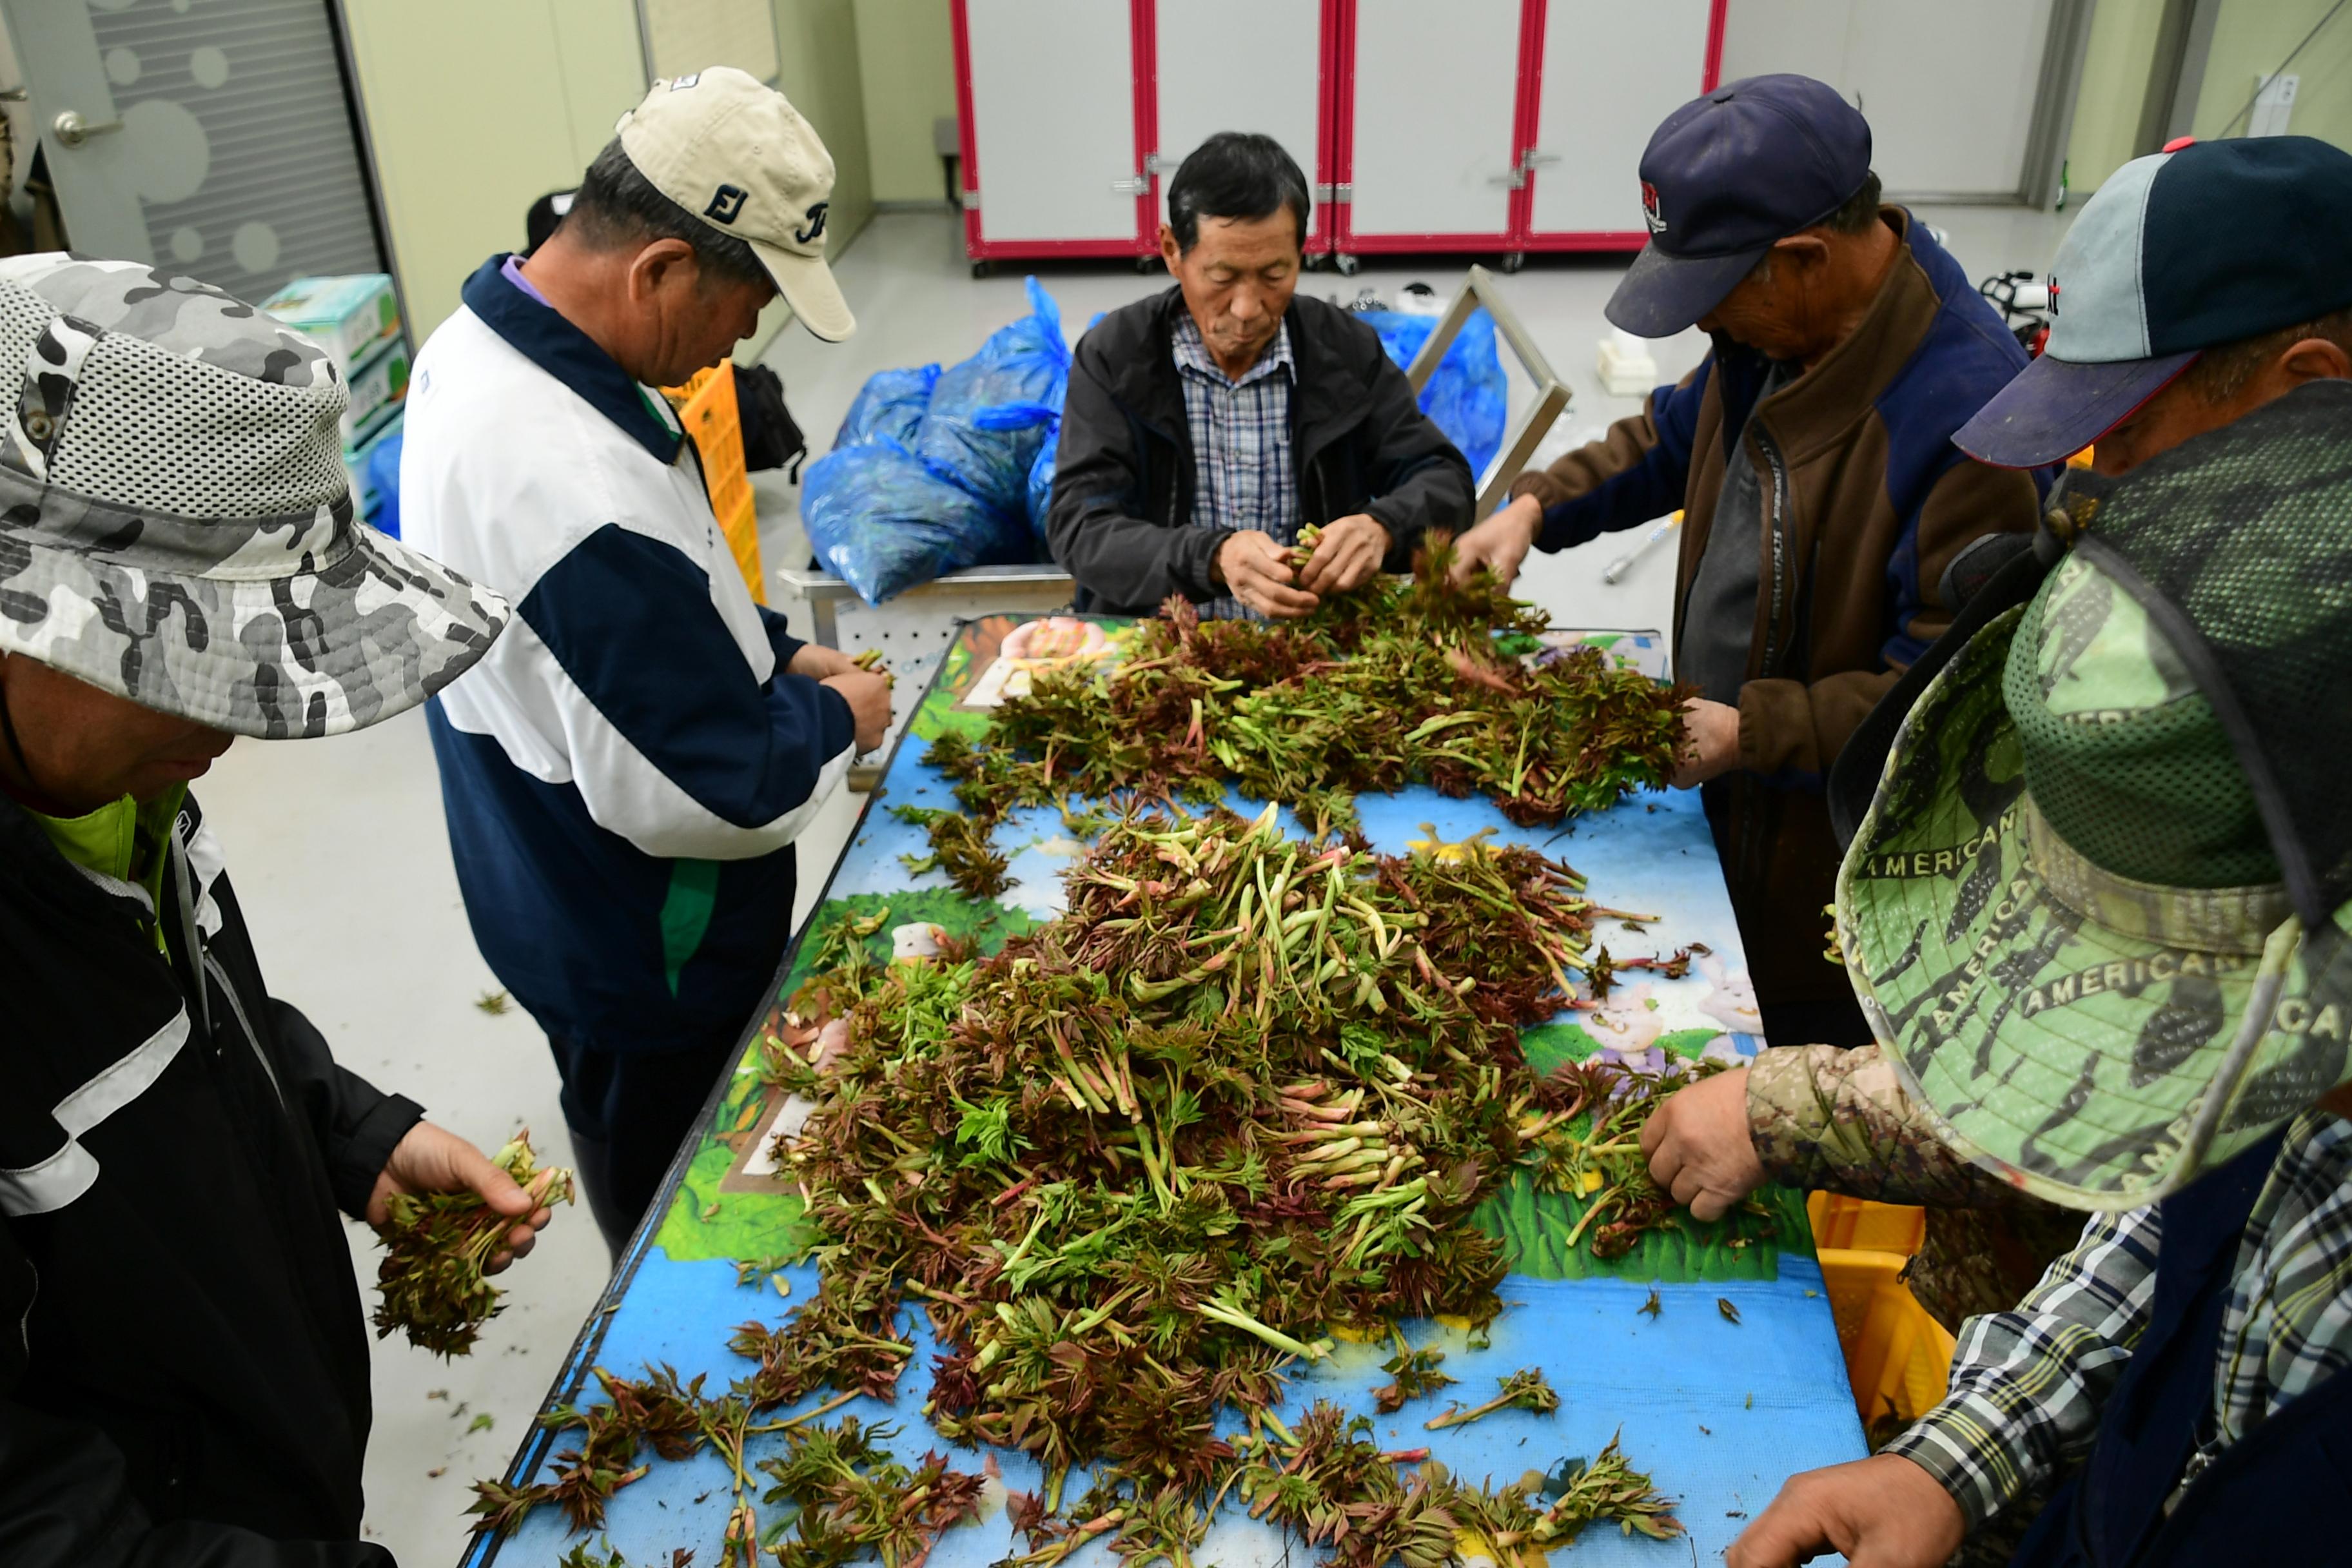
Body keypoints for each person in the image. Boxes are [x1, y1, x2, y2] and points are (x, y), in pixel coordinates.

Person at [1710, 135, 2352, 1567]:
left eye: (2127, 418)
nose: (2085, 462)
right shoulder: (2246, 659)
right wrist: (1961, 1460)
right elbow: (2194, 1197)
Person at [0, 255, 545, 1564]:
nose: (231, 734)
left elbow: (173, 1021)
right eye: (191, 670)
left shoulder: (103, 781)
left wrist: (343, 1127)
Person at [402, 68, 893, 1259]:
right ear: (661, 268)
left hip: (543, 872)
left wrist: (773, 651)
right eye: (747, 301)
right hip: (643, 940)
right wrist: (843, 719)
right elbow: (711, 792)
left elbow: (656, 604)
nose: (743, 338)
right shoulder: (554, 480)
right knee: (687, 1194)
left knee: (653, 1122)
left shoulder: (488, 342)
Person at [1452, 75, 2044, 1053]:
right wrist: (1533, 508)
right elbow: (1672, 434)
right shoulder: (1775, 334)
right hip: (1720, 796)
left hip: (1819, 870)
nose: (1701, 326)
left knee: (1774, 1064)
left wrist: (1755, 730)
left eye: (1714, 297)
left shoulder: (1973, 421)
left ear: (1803, 258)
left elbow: (1956, 705)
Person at [1047, 131, 1474, 620]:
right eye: (1222, 277)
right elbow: (1080, 526)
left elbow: (1447, 481)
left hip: (1310, 645)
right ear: (1172, 250)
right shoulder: (1117, 356)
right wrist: (1211, 558)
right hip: (1164, 644)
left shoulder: (1344, 351)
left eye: (1275, 276)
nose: (1248, 309)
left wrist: (1382, 528)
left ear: (1300, 254)